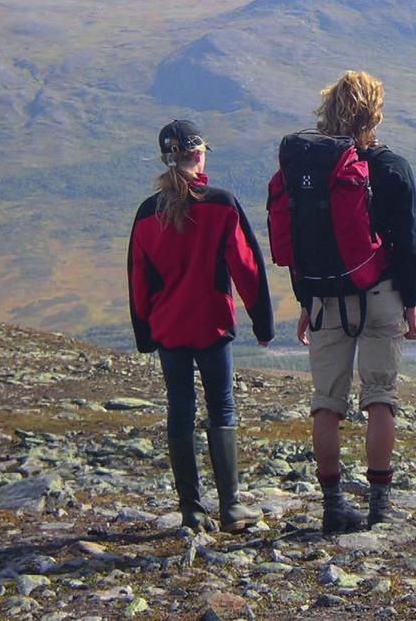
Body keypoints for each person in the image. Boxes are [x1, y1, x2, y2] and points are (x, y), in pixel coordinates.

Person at [293, 70, 416, 533]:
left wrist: (306, 299)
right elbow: (407, 243)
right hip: (381, 295)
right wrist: (410, 300)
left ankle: (332, 505)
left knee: (327, 402)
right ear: (375, 112)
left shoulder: (310, 168)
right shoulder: (392, 168)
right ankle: (380, 506)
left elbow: (299, 241)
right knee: (380, 398)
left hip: (325, 295)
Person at [128, 119, 273, 533]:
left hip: (169, 329)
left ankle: (191, 510)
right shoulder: (221, 204)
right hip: (211, 326)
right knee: (221, 407)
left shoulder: (145, 215)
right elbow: (247, 266)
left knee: (180, 411)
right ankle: (230, 508)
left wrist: (145, 334)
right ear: (199, 154)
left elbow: (138, 280)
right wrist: (262, 324)